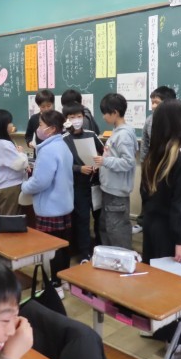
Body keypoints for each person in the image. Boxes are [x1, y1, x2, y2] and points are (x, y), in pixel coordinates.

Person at [21, 110, 74, 297]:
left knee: (52, 248)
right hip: (63, 203)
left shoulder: (48, 150)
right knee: (63, 245)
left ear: (51, 129)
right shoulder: (63, 145)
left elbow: (41, 182)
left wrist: (24, 186)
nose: (38, 129)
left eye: (41, 125)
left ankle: (55, 285)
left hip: (51, 206)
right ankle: (64, 279)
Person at [141, 99, 181, 264]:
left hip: (150, 225)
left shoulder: (151, 156)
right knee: (171, 278)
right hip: (170, 232)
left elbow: (144, 194)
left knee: (152, 273)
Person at [93, 93, 138, 251]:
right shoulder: (117, 131)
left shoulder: (124, 135)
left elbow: (128, 162)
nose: (103, 116)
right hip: (110, 189)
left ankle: (123, 260)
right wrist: (102, 162)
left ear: (115, 112)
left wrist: (105, 161)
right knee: (107, 228)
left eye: (105, 113)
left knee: (117, 231)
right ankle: (110, 259)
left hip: (117, 192)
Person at [62, 103, 104, 262]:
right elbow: (62, 164)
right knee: (82, 220)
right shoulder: (64, 139)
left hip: (95, 183)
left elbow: (105, 153)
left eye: (79, 116)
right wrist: (79, 168)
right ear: (66, 119)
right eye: (72, 117)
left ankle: (100, 249)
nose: (76, 120)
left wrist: (99, 163)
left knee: (99, 218)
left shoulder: (91, 134)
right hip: (78, 185)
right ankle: (85, 253)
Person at [134, 86, 177, 235]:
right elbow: (145, 144)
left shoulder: (175, 121)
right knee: (146, 193)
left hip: (167, 165)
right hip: (150, 164)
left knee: (165, 196)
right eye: (152, 102)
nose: (153, 106)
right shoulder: (149, 120)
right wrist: (145, 164)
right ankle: (143, 221)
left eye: (156, 102)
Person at [0, 109, 28, 215]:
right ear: (2, 126)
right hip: (10, 187)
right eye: (9, 122)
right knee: (10, 218)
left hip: (9, 186)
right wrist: (22, 153)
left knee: (12, 217)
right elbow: (20, 164)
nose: (12, 125)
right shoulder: (4, 144)